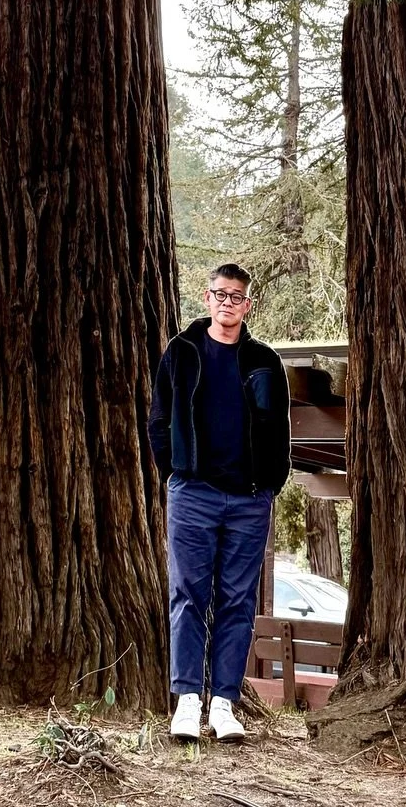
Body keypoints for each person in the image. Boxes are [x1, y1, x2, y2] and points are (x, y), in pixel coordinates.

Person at [147, 262, 290, 743]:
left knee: (237, 601)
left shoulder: (265, 361)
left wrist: (269, 485)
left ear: (248, 305)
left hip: (249, 500)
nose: (228, 303)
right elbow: (159, 420)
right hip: (194, 495)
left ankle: (224, 705)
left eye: (237, 297)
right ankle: (188, 701)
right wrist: (175, 473)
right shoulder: (181, 352)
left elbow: (279, 430)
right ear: (207, 298)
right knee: (188, 596)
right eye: (221, 294)